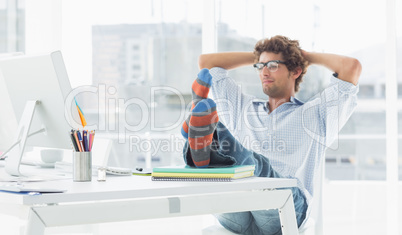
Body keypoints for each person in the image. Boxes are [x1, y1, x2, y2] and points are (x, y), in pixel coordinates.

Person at [181, 35, 361, 234]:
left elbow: (351, 67)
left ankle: (204, 142)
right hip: (238, 208)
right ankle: (204, 146)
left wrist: (305, 56)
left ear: (295, 71)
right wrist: (260, 57)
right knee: (229, 167)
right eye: (260, 66)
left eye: (273, 65)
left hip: (285, 208)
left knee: (254, 164)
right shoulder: (243, 107)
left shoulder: (317, 114)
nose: (264, 72)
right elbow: (207, 63)